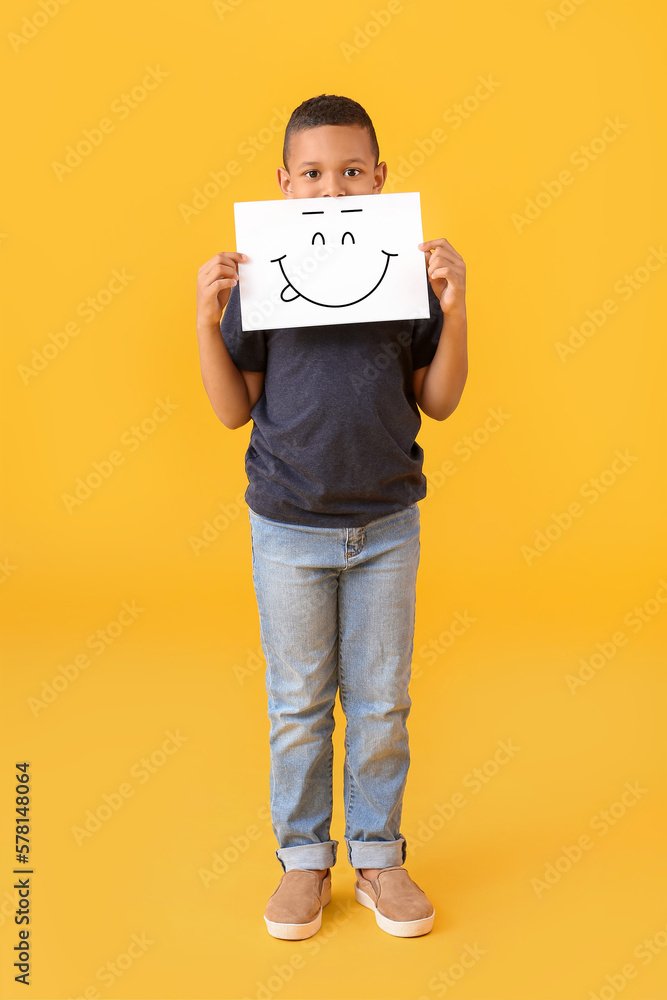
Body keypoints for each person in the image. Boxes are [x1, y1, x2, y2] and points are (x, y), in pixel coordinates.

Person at [196, 94, 468, 940]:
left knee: (382, 703)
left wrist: (454, 307)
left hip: (386, 525)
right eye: (311, 173)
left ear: (378, 180)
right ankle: (305, 861)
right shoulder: (265, 282)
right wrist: (204, 319)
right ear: (284, 186)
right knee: (299, 704)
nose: (330, 186)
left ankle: (379, 857)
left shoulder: (402, 281)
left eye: (350, 170)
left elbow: (441, 399)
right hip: (287, 528)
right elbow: (232, 410)